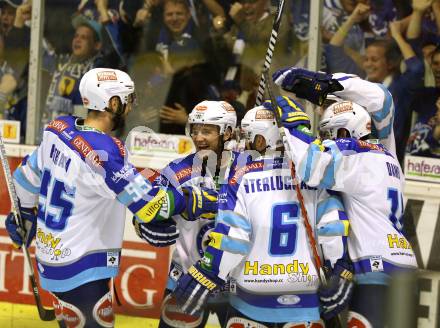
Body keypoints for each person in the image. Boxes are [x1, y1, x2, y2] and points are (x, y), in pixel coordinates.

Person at [3, 68, 194, 327]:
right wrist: (191, 199)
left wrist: (24, 211)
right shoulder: (105, 152)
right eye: (127, 99)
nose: (130, 105)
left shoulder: (58, 128)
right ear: (112, 103)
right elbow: (151, 206)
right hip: (82, 267)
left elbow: (26, 176)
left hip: (51, 258)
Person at [170, 104, 353, 326]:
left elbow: (232, 240)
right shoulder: (314, 176)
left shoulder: (241, 176)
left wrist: (206, 273)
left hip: (253, 299)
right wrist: (340, 268)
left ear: (259, 140)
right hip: (307, 296)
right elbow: (334, 227)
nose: (243, 144)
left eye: (247, 136)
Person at [270, 68, 418, 327]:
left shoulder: (353, 152)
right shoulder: (382, 151)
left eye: (326, 105)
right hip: (399, 263)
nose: (319, 111)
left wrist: (294, 124)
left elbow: (382, 99)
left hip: (373, 265)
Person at [156, 100, 240, 327]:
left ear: (228, 132)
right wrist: (145, 222)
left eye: (207, 131)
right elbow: (151, 207)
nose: (198, 137)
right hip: (186, 278)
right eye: (195, 129)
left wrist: (212, 201)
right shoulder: (175, 170)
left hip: (235, 283)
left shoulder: (246, 169)